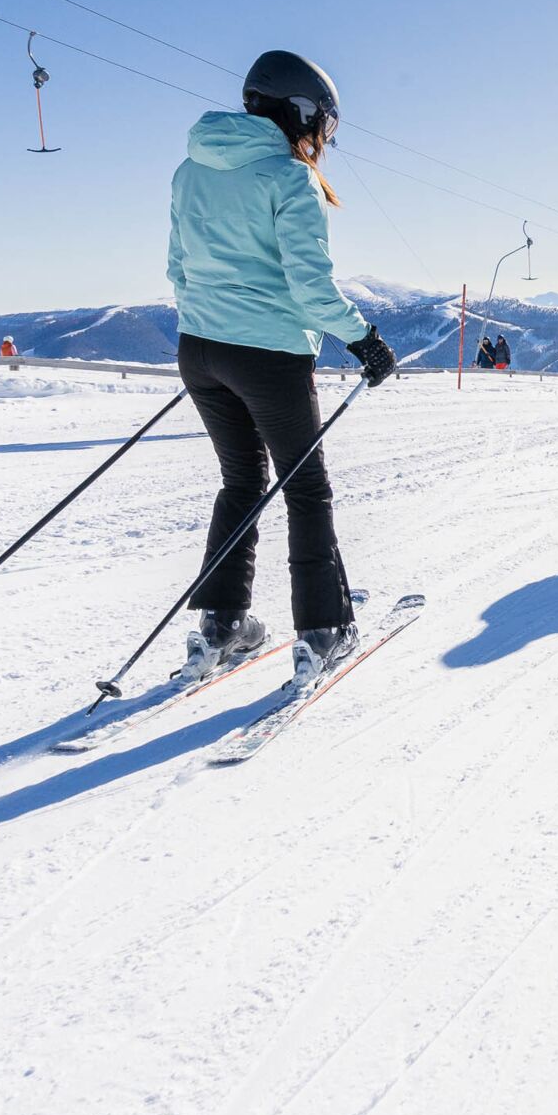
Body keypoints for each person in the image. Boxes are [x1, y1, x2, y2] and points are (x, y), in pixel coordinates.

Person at [166, 49, 398, 687]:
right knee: (305, 488)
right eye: (324, 125)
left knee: (240, 481)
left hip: (200, 349)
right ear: (301, 112)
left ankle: (220, 625)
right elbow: (311, 290)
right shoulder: (288, 178)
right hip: (268, 355)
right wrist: (366, 341)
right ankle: (323, 632)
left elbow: (178, 270)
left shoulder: (191, 171)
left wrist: (212, 326)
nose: (323, 139)